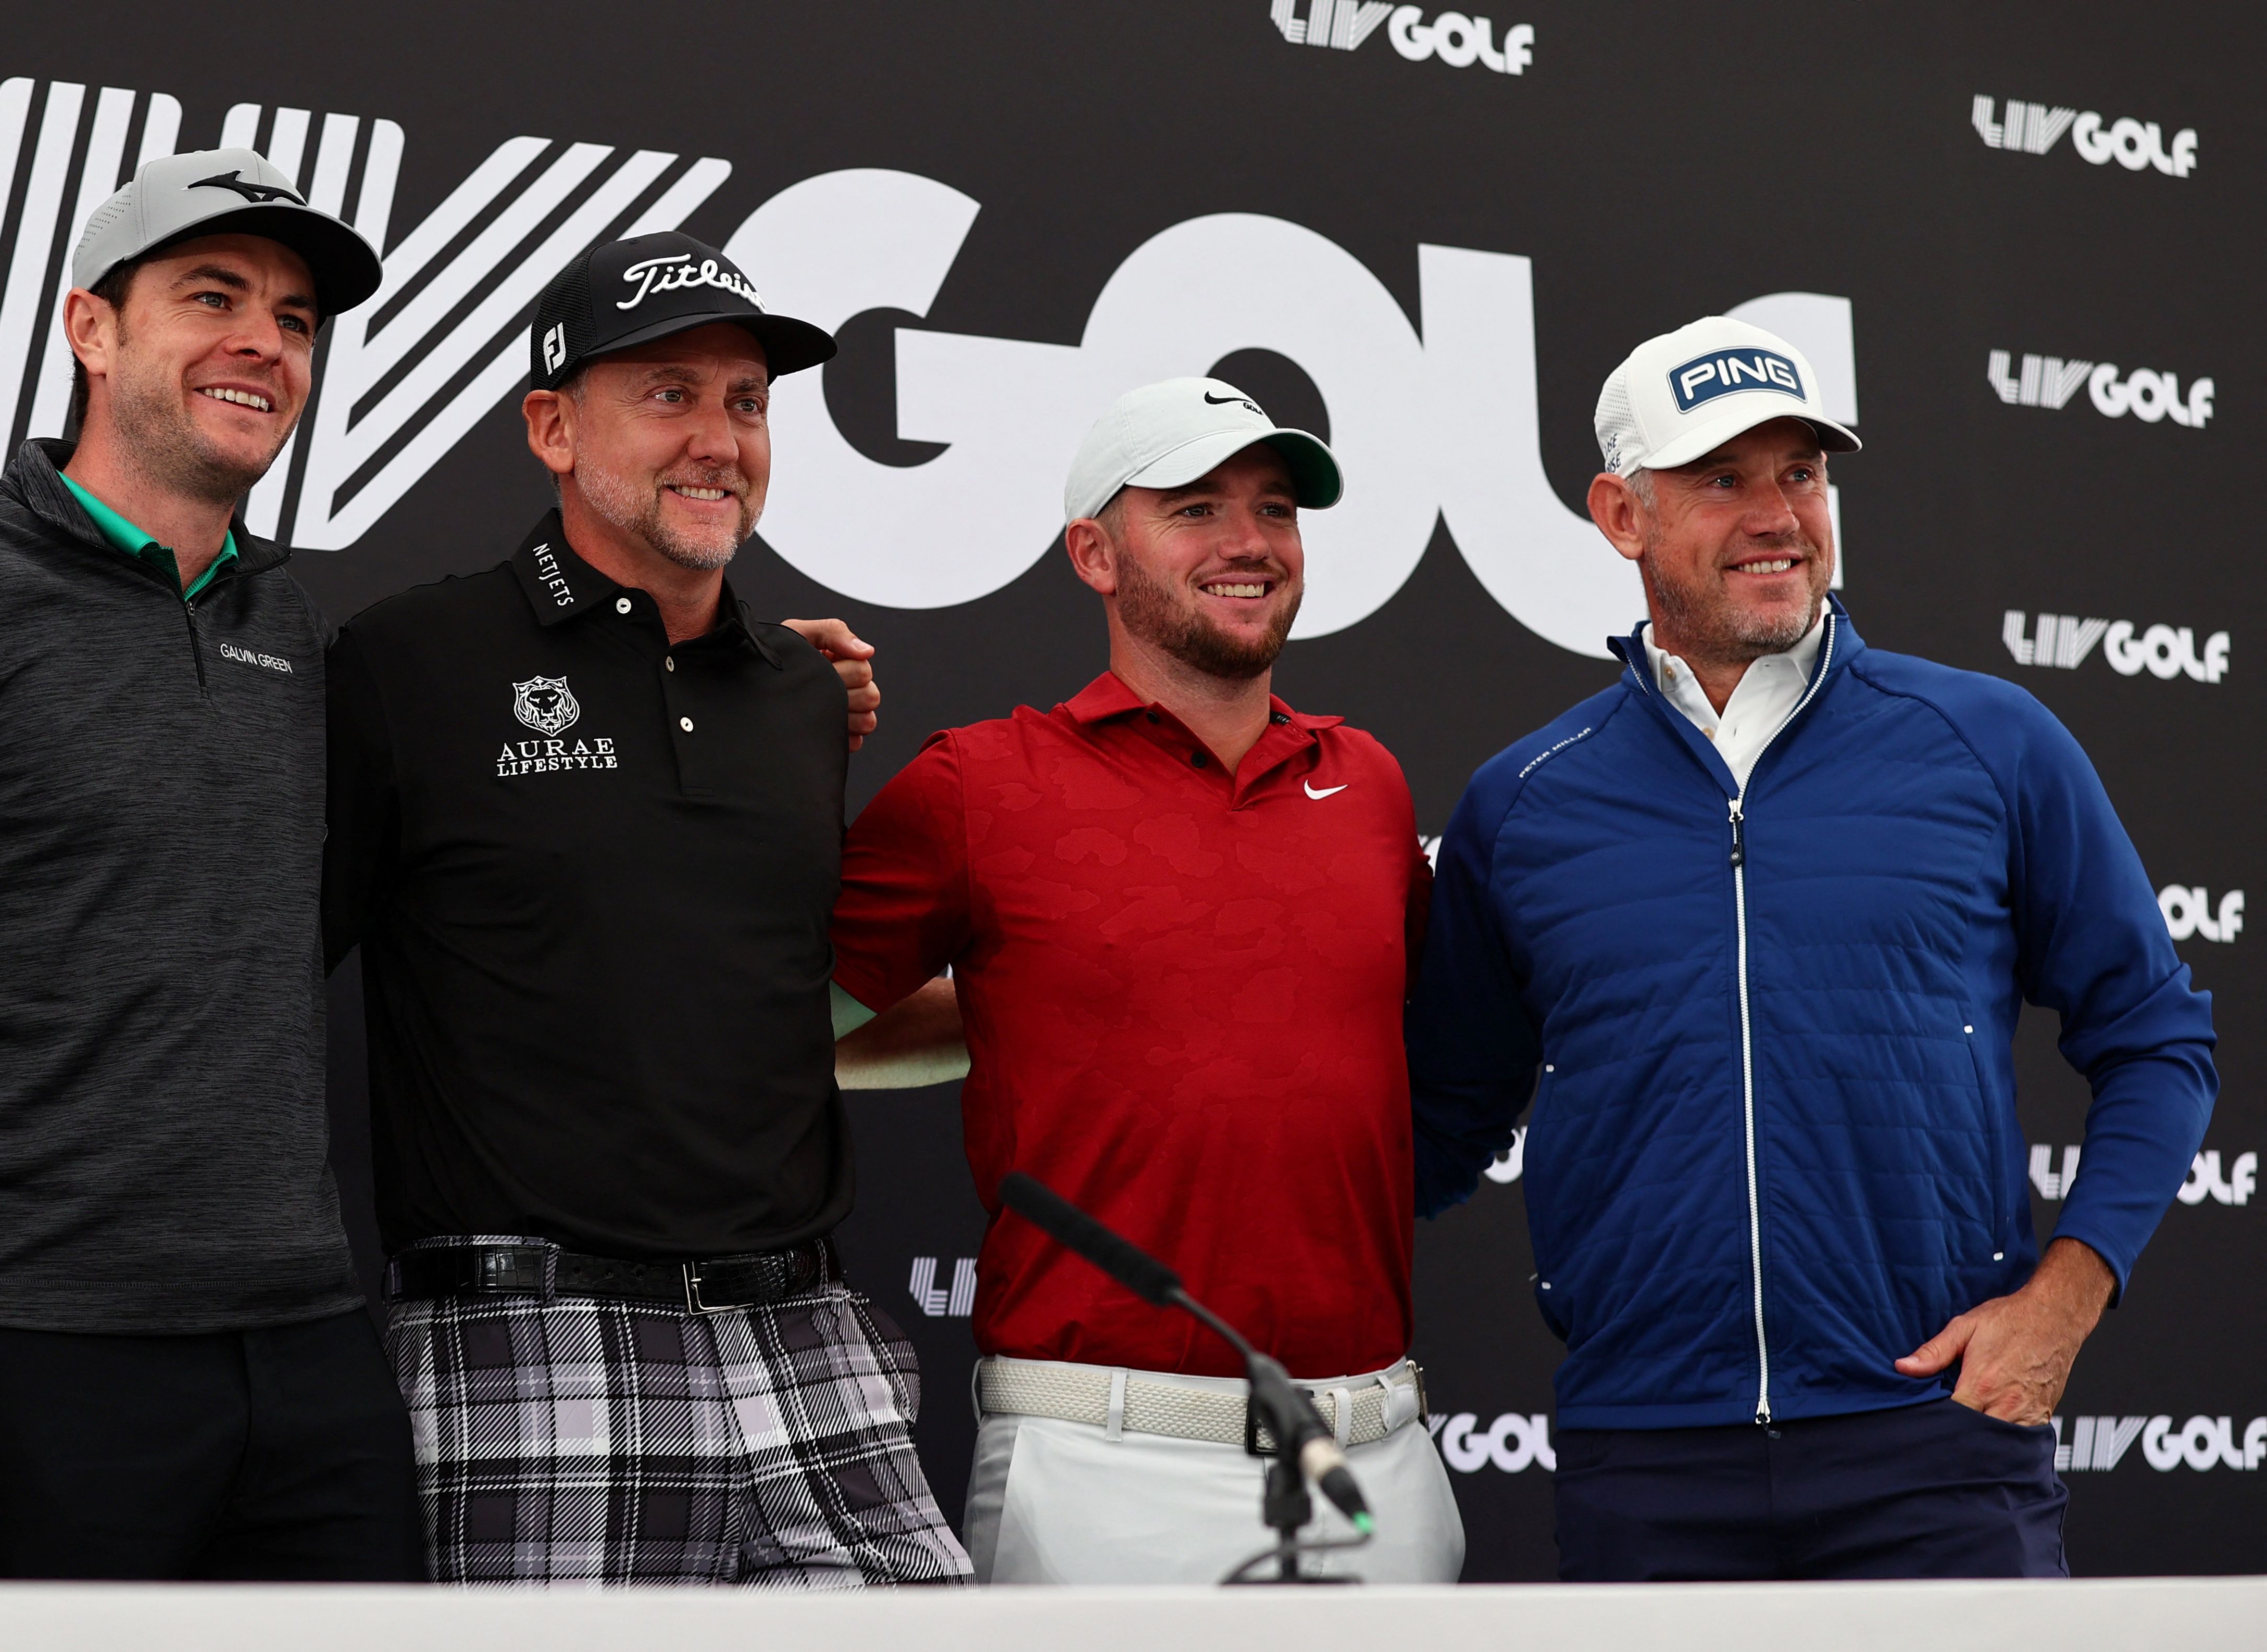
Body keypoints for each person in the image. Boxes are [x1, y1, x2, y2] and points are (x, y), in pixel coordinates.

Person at [1409, 316, 2216, 1580]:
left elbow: (2158, 1038)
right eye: (1722, 479)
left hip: (1937, 1442)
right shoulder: (1525, 802)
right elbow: (1439, 1120)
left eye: (1801, 472)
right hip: (1647, 1460)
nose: (1777, 514)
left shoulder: (1989, 741)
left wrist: (2065, 1297)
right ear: (1620, 517)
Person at [0, 148, 417, 1581]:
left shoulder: (293, 629)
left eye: (296, 317)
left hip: (308, 1350)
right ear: (90, 329)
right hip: (29, 1350)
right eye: (212, 293)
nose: (264, 341)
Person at [320, 231, 969, 1587]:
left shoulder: (802, 691)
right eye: (668, 393)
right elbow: (259, 975)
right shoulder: (407, 660)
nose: (720, 438)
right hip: (531, 1332)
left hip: (813, 1335)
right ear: (552, 426)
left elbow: (780, 993)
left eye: (746, 400)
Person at [830, 378, 1464, 1584]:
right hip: (1103, 1459)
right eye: (1195, 508)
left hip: (1376, 1451)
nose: (1248, 543)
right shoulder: (980, 784)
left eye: (1275, 510)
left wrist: (1070, 1008)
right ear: (1094, 555)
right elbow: (785, 1028)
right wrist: (1024, 1019)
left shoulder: (1370, 782)